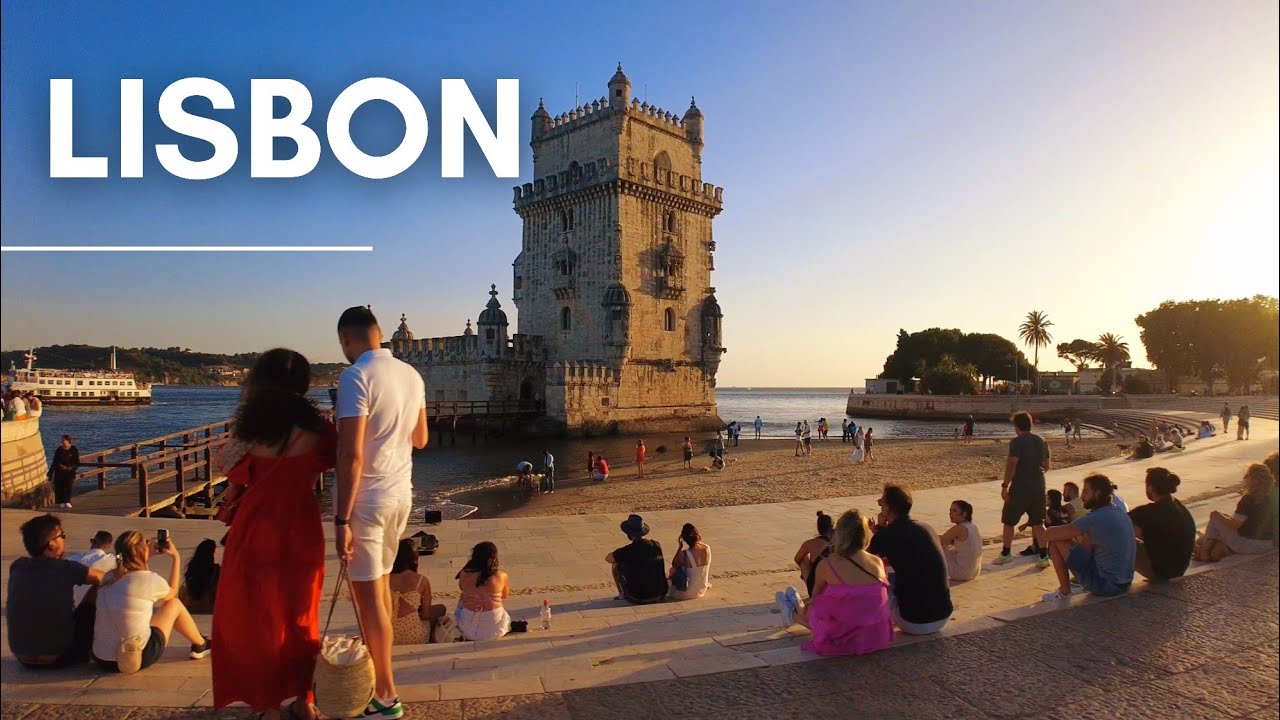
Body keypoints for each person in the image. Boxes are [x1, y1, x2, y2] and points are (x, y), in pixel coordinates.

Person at [213, 349, 337, 720]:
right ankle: (304, 699)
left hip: (254, 529)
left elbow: (227, 467)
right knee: (302, 614)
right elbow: (335, 459)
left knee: (256, 618)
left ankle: (264, 701)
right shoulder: (318, 430)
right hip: (300, 528)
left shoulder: (249, 428)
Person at [333, 307, 429, 720]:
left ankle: (386, 696)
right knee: (380, 596)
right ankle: (379, 685)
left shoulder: (355, 377)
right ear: (379, 334)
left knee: (370, 603)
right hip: (400, 497)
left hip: (368, 503)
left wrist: (340, 520)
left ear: (347, 340)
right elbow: (421, 439)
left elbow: (350, 455)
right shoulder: (412, 375)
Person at [775, 510, 893, 657]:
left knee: (814, 609)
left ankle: (793, 611)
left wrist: (804, 609)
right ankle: (792, 608)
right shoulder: (877, 562)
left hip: (844, 640)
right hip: (877, 636)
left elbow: (815, 600)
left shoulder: (828, 564)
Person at [93, 530, 211, 672]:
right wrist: (176, 558)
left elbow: (132, 570)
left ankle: (201, 643)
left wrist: (144, 555)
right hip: (134, 657)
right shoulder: (148, 579)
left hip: (102, 658)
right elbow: (172, 596)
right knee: (174, 605)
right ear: (143, 551)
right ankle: (201, 644)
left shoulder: (108, 577)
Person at [6, 514, 106, 668]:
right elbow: (105, 578)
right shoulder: (67, 568)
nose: (64, 539)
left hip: (22, 657)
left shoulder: (17, 566)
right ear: (52, 544)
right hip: (59, 657)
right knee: (99, 587)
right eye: (62, 536)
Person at [868, 485, 953, 634]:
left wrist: (880, 529)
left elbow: (861, 562)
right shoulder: (927, 528)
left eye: (882, 503)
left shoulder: (885, 536)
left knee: (875, 576)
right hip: (943, 615)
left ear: (887, 508)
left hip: (912, 621)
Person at [1041, 474, 1135, 602]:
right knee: (1081, 538)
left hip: (1105, 586)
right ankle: (1078, 585)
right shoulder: (1117, 511)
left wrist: (1041, 523)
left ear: (1097, 493)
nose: (1082, 497)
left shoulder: (1095, 518)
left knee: (1056, 541)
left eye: (1085, 492)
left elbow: (1050, 535)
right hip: (1125, 582)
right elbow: (1087, 547)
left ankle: (1064, 592)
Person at [995, 412, 1051, 568]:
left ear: (1016, 426)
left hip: (1020, 487)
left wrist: (1005, 485)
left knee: (1009, 521)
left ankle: (1006, 553)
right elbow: (1046, 465)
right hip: (1039, 485)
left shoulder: (1017, 442)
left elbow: (1012, 463)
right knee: (1039, 522)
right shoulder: (1042, 441)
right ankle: (1044, 556)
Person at [1194, 464, 1275, 561]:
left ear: (1255, 481)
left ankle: (1204, 552)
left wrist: (1218, 516)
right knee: (1221, 517)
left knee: (1214, 519)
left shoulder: (1248, 499)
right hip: (1267, 544)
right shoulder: (1267, 498)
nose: (1244, 478)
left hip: (1249, 545)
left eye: (1247, 475)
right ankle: (1212, 546)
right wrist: (1223, 516)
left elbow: (1235, 525)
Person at [1128, 467, 1195, 581]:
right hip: (1180, 569)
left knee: (1118, 535)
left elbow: (1117, 522)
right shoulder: (1179, 507)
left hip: (1161, 572)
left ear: (1151, 488)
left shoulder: (1150, 512)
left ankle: (1114, 581)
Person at [390, 539, 447, 645]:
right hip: (415, 636)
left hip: (389, 636)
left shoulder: (384, 580)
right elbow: (425, 615)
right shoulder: (421, 580)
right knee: (440, 609)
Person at [454, 542, 511, 641]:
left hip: (466, 628)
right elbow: (505, 595)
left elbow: (462, 589)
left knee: (463, 596)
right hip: (494, 629)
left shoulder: (464, 573)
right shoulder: (501, 575)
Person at [606, 514, 668, 604]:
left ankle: (621, 594)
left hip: (638, 596)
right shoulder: (655, 545)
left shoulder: (628, 550)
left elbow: (608, 558)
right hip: (659, 593)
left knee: (615, 564)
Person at [938, 500, 982, 582]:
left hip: (961, 573)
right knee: (948, 546)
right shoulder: (972, 526)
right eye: (950, 510)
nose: (950, 513)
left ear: (964, 514)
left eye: (954, 511)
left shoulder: (959, 528)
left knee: (937, 545)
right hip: (974, 572)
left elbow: (940, 541)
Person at [794, 511, 835, 597]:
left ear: (818, 528)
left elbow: (797, 559)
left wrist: (807, 570)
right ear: (832, 526)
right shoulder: (839, 541)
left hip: (816, 586)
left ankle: (810, 585)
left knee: (803, 559)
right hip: (836, 582)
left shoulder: (810, 543)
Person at [668, 523, 712, 600]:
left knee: (673, 570)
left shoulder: (684, 554)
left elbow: (674, 564)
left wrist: (679, 547)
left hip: (685, 593)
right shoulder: (707, 548)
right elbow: (699, 544)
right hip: (701, 591)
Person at [179, 539, 219, 614]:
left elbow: (188, 584)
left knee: (181, 589)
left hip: (191, 605)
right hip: (209, 606)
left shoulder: (192, 566)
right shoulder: (215, 569)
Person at [50, 434, 80, 509]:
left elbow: (76, 461)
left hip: (70, 471)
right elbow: (56, 460)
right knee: (60, 486)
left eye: (63, 440)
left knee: (68, 486)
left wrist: (72, 467)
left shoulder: (73, 449)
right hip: (60, 471)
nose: (62, 442)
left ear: (68, 441)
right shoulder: (59, 450)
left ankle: (67, 501)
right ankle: (62, 501)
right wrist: (60, 466)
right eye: (62, 440)